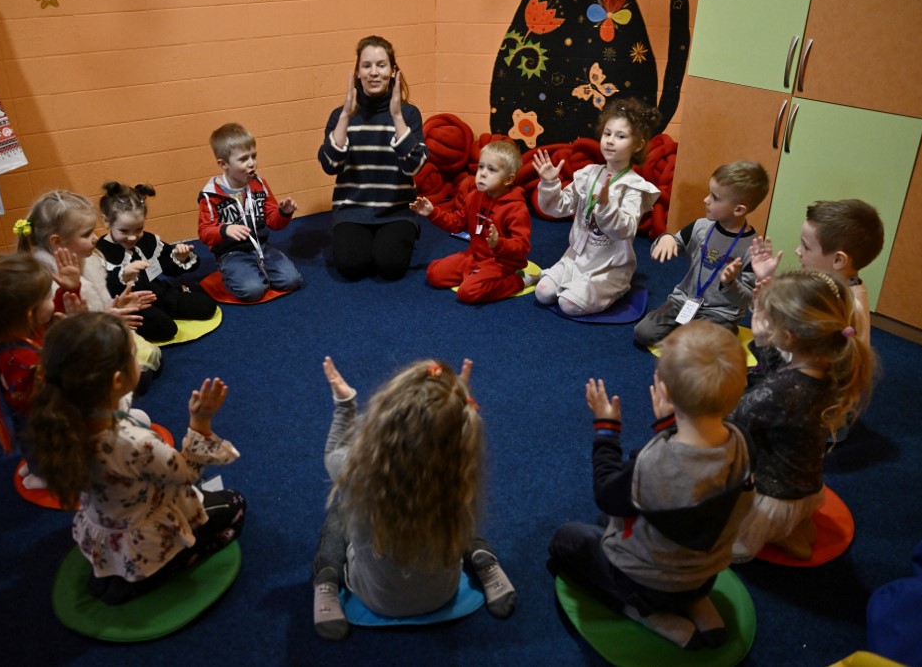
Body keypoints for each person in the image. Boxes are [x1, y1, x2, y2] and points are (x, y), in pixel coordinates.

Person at [548, 321, 754, 649]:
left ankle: (648, 615)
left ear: (665, 391)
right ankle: (697, 603)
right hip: (703, 573)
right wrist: (669, 425)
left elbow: (607, 493)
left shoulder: (653, 463)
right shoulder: (743, 444)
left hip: (645, 584)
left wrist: (606, 429)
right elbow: (696, 483)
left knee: (566, 539)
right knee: (612, 522)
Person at [26, 312, 246, 605]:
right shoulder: (133, 443)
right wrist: (200, 423)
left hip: (106, 525)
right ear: (118, 380)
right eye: (133, 354)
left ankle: (112, 573)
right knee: (235, 503)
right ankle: (161, 569)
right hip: (145, 534)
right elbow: (187, 474)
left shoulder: (62, 420)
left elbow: (117, 398)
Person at [312, 357, 516, 640]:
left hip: (378, 599)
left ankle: (326, 583)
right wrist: (457, 405)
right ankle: (486, 563)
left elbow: (334, 449)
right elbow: (466, 433)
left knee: (339, 512)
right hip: (443, 594)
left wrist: (345, 404)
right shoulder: (457, 473)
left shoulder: (353, 474)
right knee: (457, 511)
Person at [729, 270, 875, 563]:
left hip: (771, 494)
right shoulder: (831, 368)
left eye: (771, 320)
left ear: (788, 336)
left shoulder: (781, 391)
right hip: (804, 487)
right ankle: (792, 526)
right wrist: (762, 341)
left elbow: (734, 421)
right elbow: (781, 380)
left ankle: (775, 530)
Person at [16, 189, 162, 394]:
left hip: (96, 337)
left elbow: (96, 306)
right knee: (137, 376)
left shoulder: (89, 260)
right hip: (75, 357)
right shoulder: (47, 283)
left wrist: (116, 306)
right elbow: (64, 340)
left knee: (149, 358)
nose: (95, 238)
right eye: (86, 234)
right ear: (56, 242)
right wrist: (107, 320)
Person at [532, 98, 661, 316]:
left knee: (568, 304)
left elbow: (625, 230)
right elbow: (557, 207)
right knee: (543, 292)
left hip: (609, 266)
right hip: (576, 257)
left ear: (638, 145)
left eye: (620, 136)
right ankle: (575, 283)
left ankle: (618, 287)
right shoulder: (588, 174)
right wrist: (550, 184)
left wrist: (606, 206)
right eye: (607, 133)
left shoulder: (634, 186)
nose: (610, 141)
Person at [318, 35, 428, 281]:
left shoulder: (409, 114)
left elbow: (414, 166)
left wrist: (396, 116)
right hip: (352, 209)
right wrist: (345, 117)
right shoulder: (340, 115)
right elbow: (330, 165)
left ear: (393, 71)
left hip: (397, 210)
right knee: (351, 267)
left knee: (390, 267)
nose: (374, 72)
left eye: (381, 65)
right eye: (366, 66)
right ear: (358, 73)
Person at [0, 253, 76, 490]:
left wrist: (69, 290)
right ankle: (41, 475)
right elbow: (53, 386)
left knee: (33, 440)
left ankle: (36, 466)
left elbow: (51, 315)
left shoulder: (18, 328)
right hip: (39, 413)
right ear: (29, 313)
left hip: (33, 408)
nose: (52, 299)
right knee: (42, 442)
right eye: (49, 295)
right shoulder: (18, 358)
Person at [633, 161, 769, 347]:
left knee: (697, 346)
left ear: (738, 210)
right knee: (643, 332)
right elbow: (673, 243)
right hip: (684, 300)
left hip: (720, 313)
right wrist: (666, 239)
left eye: (715, 197)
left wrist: (730, 283)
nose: (706, 200)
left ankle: (714, 332)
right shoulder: (700, 227)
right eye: (709, 193)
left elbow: (747, 300)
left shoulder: (752, 248)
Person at [410, 140, 534, 303]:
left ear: (508, 179)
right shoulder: (474, 197)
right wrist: (432, 213)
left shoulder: (516, 208)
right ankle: (475, 275)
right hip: (475, 255)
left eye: (491, 169)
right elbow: (456, 223)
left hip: (502, 261)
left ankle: (520, 280)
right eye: (481, 167)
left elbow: (522, 246)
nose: (482, 173)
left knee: (467, 292)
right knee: (434, 273)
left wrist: (498, 243)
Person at [750, 199, 884, 346]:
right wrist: (766, 278)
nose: (798, 251)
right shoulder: (822, 284)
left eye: (806, 247)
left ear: (838, 260)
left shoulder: (847, 308)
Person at [97, 181, 217, 342]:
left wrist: (181, 258)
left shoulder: (148, 240)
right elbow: (100, 291)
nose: (132, 237)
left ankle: (165, 310)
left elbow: (167, 268)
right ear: (106, 221)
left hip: (158, 293)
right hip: (133, 305)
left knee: (207, 307)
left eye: (139, 229)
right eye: (124, 231)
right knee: (166, 329)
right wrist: (124, 275)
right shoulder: (99, 252)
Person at [198, 123, 302, 302]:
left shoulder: (259, 184)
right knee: (253, 291)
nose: (252, 163)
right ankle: (234, 273)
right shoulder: (210, 195)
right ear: (223, 164)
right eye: (243, 159)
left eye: (254, 156)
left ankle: (255, 271)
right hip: (232, 253)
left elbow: (273, 223)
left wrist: (284, 213)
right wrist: (224, 229)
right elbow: (204, 232)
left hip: (261, 247)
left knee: (292, 281)